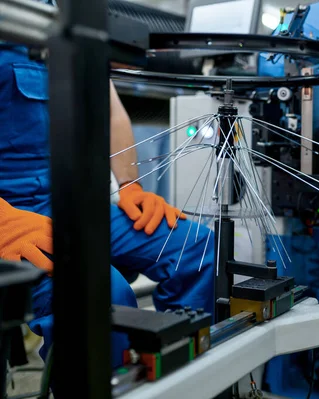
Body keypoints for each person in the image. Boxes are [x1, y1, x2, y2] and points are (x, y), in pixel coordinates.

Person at [0, 39, 215, 367]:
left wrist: (131, 186)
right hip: (8, 213)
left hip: (66, 205)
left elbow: (111, 111)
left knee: (195, 245)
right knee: (100, 290)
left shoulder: (59, 13)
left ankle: (186, 374)